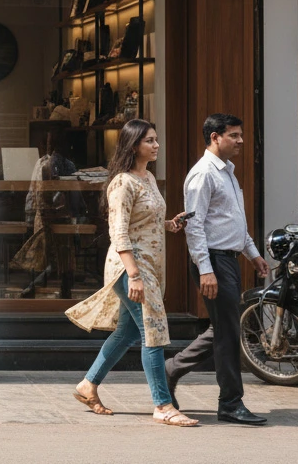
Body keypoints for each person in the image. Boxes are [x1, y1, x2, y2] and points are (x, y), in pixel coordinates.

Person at [65, 119, 196, 426]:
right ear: (134, 145)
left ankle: (88, 385)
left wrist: (169, 225)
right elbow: (119, 233)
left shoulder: (148, 177)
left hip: (148, 266)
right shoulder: (122, 183)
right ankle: (162, 405)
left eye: (156, 140)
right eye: (150, 140)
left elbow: (143, 222)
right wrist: (134, 275)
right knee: (153, 332)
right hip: (131, 268)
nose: (156, 145)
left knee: (127, 332)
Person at [164, 113, 271, 425]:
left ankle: (171, 369)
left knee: (224, 328)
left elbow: (232, 221)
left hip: (228, 258)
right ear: (214, 137)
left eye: (240, 135)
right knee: (228, 334)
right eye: (234, 136)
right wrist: (206, 269)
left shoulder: (229, 172)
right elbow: (194, 227)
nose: (240, 141)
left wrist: (252, 254)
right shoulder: (203, 175)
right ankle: (230, 403)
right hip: (213, 260)